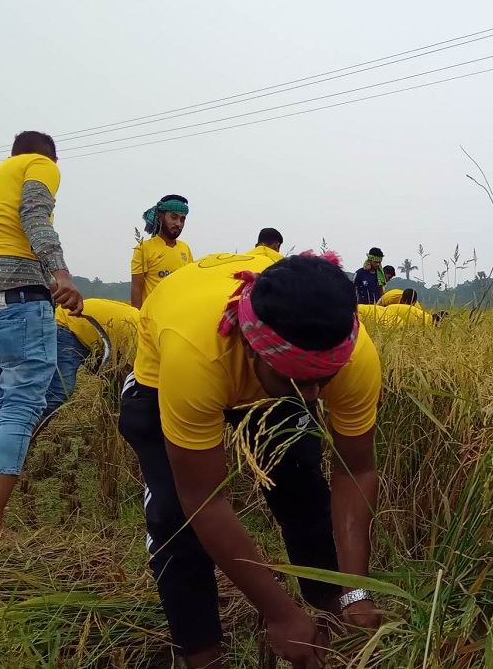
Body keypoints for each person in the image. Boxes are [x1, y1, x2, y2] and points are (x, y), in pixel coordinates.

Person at [119, 251, 382, 668]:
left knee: (303, 489)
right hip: (167, 373)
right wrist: (279, 614)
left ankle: (336, 611)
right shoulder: (195, 355)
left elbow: (357, 469)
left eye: (324, 381)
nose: (313, 396)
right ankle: (203, 655)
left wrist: (357, 590)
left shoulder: (350, 357)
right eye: (298, 381)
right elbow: (202, 497)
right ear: (251, 346)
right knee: (174, 520)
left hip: (262, 369)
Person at [0, 130, 84, 539]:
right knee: (21, 407)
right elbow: (35, 215)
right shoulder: (40, 165)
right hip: (18, 296)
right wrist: (60, 273)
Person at [44, 298, 139, 417]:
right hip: (69, 323)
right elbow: (130, 379)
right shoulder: (142, 338)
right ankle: (24, 427)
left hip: (97, 336)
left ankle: (111, 419)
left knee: (115, 381)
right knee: (60, 390)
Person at [131, 194, 194, 309]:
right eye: (173, 218)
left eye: (182, 219)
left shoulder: (185, 248)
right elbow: (136, 289)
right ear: (160, 217)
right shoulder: (144, 248)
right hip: (152, 318)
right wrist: (136, 321)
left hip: (178, 315)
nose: (178, 224)